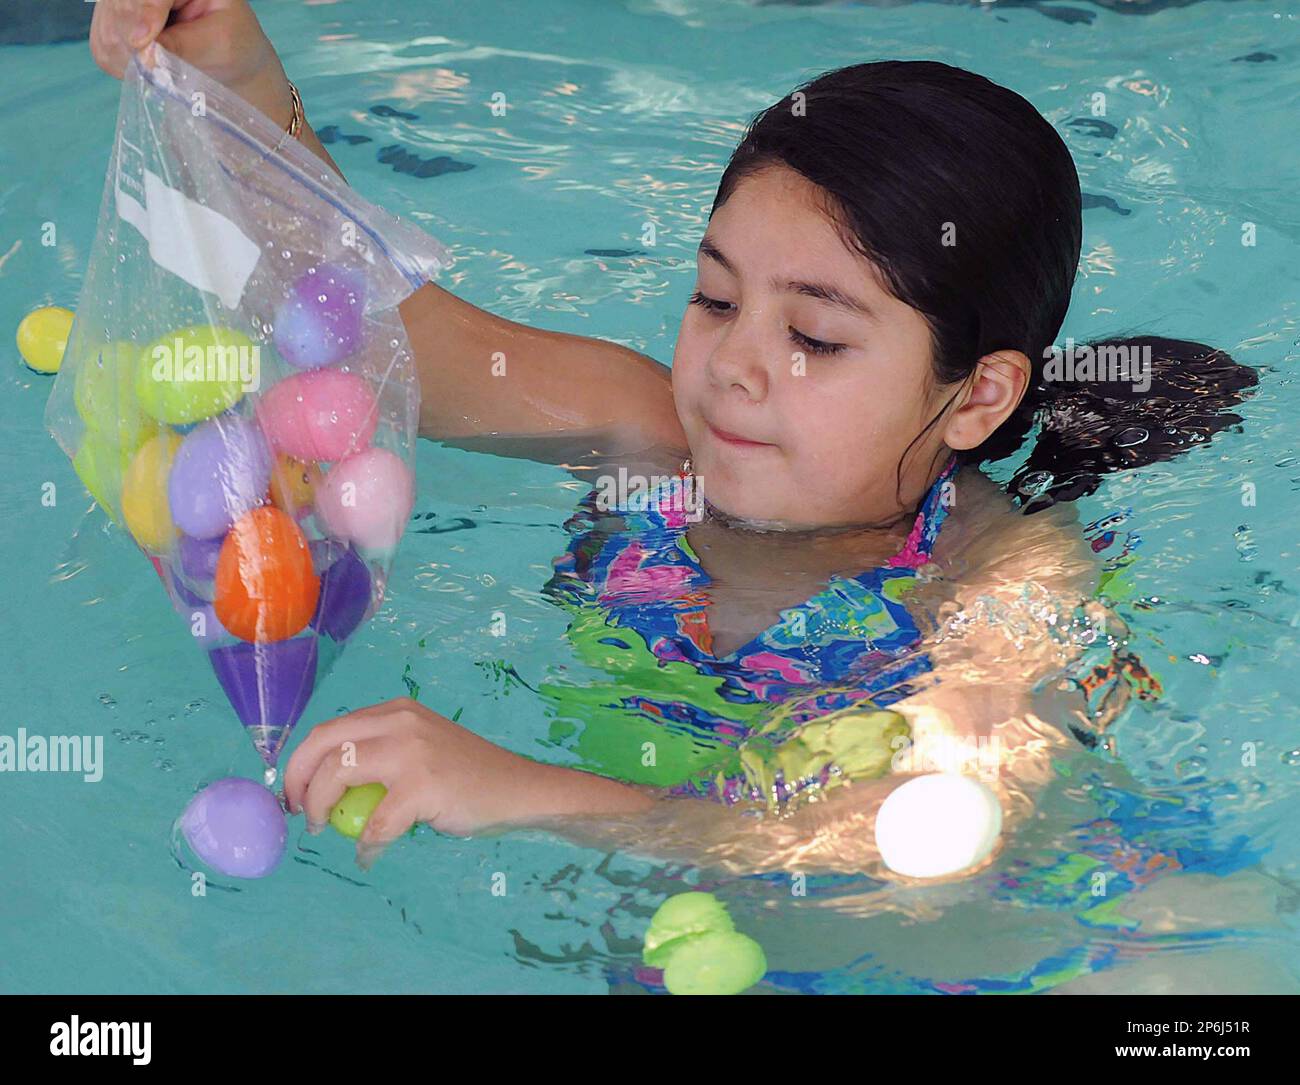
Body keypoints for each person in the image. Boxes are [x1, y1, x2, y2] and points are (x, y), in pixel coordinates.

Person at [89, 0, 1255, 876]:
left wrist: (527, 791)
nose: (735, 361)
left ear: (978, 398)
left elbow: (911, 843)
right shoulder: (651, 437)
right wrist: (234, 77)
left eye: (815, 334)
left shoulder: (1003, 584)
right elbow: (368, 327)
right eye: (713, 297)